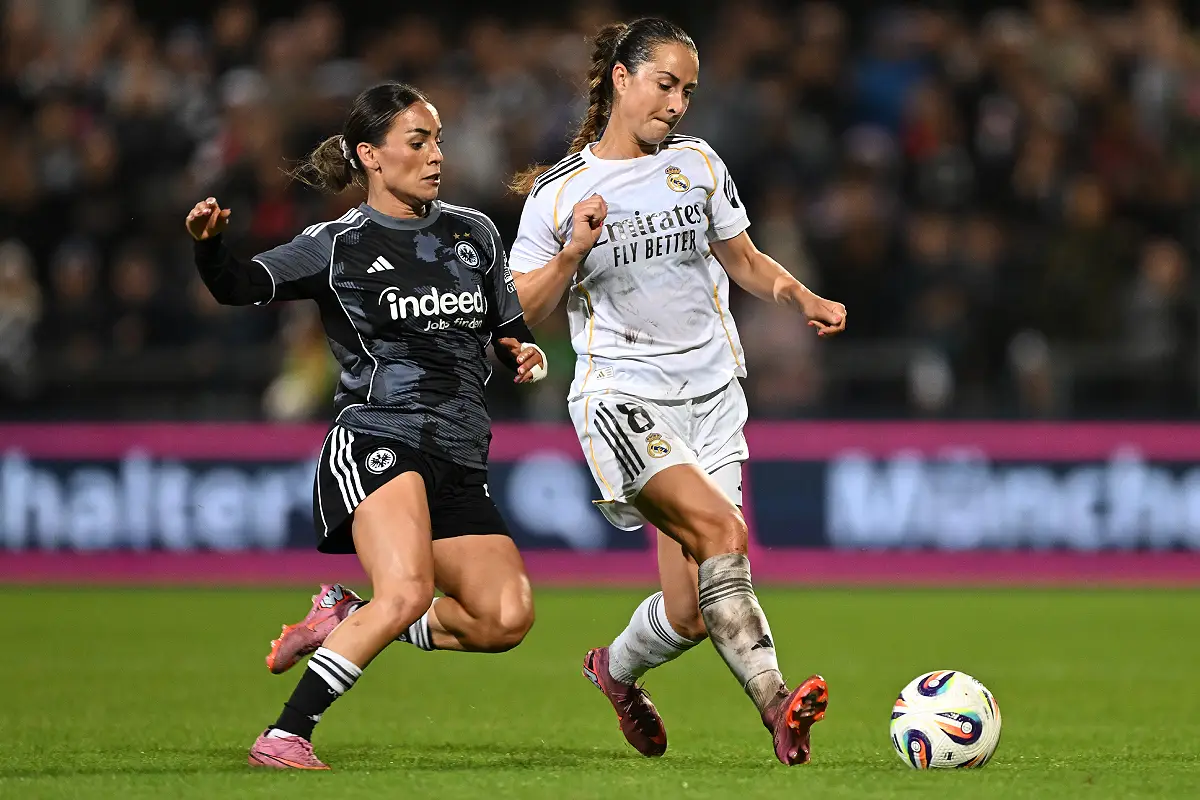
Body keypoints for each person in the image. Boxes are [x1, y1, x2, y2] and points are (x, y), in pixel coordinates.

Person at [507, 18, 847, 766]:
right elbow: (521, 308)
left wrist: (802, 296)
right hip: (624, 401)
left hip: (714, 397)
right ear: (621, 79)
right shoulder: (560, 195)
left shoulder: (695, 165)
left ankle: (616, 671)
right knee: (726, 539)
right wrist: (572, 252)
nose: (677, 103)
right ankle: (777, 706)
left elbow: (745, 259)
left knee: (691, 612)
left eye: (688, 90)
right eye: (665, 84)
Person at [186, 82, 548, 771]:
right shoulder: (338, 243)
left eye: (437, 139)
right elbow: (235, 285)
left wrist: (521, 349)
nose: (436, 155)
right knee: (408, 591)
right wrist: (209, 248)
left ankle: (344, 614)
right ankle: (286, 734)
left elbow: (506, 325)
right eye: (418, 141)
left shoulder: (473, 232)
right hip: (379, 438)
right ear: (370, 157)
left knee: (505, 618)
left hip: (460, 453)